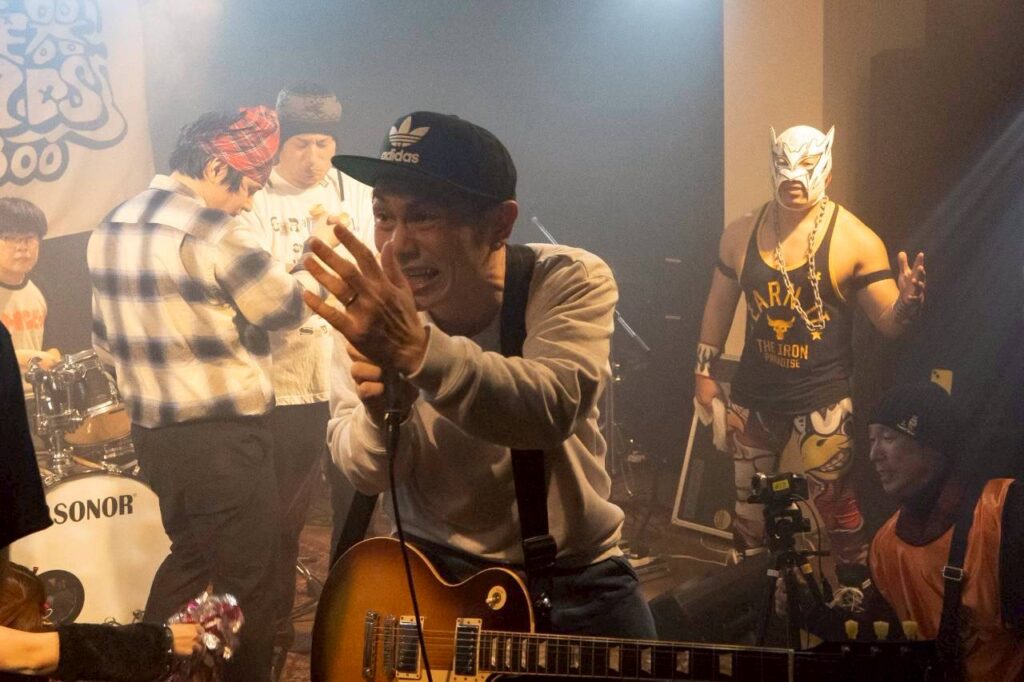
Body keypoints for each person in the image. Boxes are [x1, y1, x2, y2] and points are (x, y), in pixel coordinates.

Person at [306, 111, 657, 650]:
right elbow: (367, 473)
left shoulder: (564, 280)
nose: (396, 245)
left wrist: (417, 351)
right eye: (383, 216)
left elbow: (550, 406)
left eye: (423, 217)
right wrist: (382, 416)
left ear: (498, 224)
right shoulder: (370, 312)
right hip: (429, 579)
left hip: (571, 582)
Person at [86, 106, 321, 682]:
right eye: (249, 188)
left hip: (154, 436)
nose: (248, 204)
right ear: (217, 168)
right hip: (224, 441)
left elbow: (105, 347)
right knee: (250, 584)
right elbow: (285, 309)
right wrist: (313, 260)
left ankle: (150, 670)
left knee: (189, 559)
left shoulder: (111, 224)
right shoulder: (215, 230)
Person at [694, 125, 927, 571]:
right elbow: (719, 306)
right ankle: (752, 594)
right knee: (749, 510)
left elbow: (889, 323)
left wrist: (907, 306)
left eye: (805, 164)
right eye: (784, 163)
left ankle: (853, 594)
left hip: (823, 397)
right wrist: (703, 373)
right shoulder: (740, 234)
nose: (793, 175)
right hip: (754, 393)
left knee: (836, 508)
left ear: (827, 169)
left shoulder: (855, 240)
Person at [239, 83, 374, 663]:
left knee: (357, 508)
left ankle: (350, 622)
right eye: (301, 144)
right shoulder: (256, 198)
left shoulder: (356, 192)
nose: (313, 157)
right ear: (279, 145)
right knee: (282, 514)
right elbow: (257, 289)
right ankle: (271, 626)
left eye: (322, 144)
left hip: (349, 375)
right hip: (287, 381)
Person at [867, 382, 1023, 680]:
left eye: (887, 437)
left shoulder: (1003, 512)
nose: (874, 454)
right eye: (871, 440)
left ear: (933, 446)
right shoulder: (885, 546)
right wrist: (808, 609)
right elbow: (875, 642)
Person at [0, 198, 60, 373]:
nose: (22, 247)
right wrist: (28, 358)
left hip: (36, 389)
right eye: (9, 238)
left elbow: (51, 344)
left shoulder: (40, 286)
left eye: (29, 238)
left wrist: (53, 358)